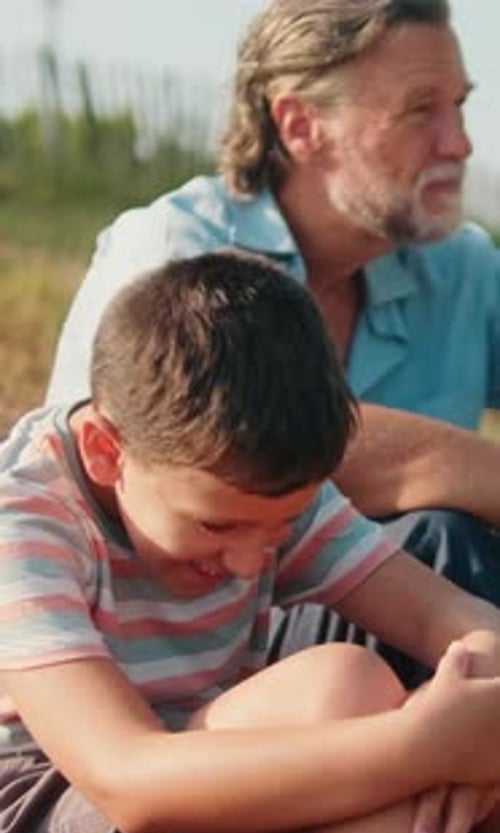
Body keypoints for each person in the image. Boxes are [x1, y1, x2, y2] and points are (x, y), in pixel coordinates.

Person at [2, 250, 500, 833]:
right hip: (50, 828)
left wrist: (473, 702)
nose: (250, 560)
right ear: (106, 452)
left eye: (284, 527)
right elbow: (128, 782)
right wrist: (425, 746)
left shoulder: (258, 500)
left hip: (200, 791)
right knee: (344, 692)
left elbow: (455, 619)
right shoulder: (24, 523)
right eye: (217, 527)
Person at [45, 0, 500, 657]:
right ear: (301, 123)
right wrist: (462, 467)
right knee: (441, 539)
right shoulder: (179, 257)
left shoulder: (461, 269)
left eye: (460, 105)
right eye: (419, 109)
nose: (459, 142)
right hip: (178, 657)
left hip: (394, 614)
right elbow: (183, 450)